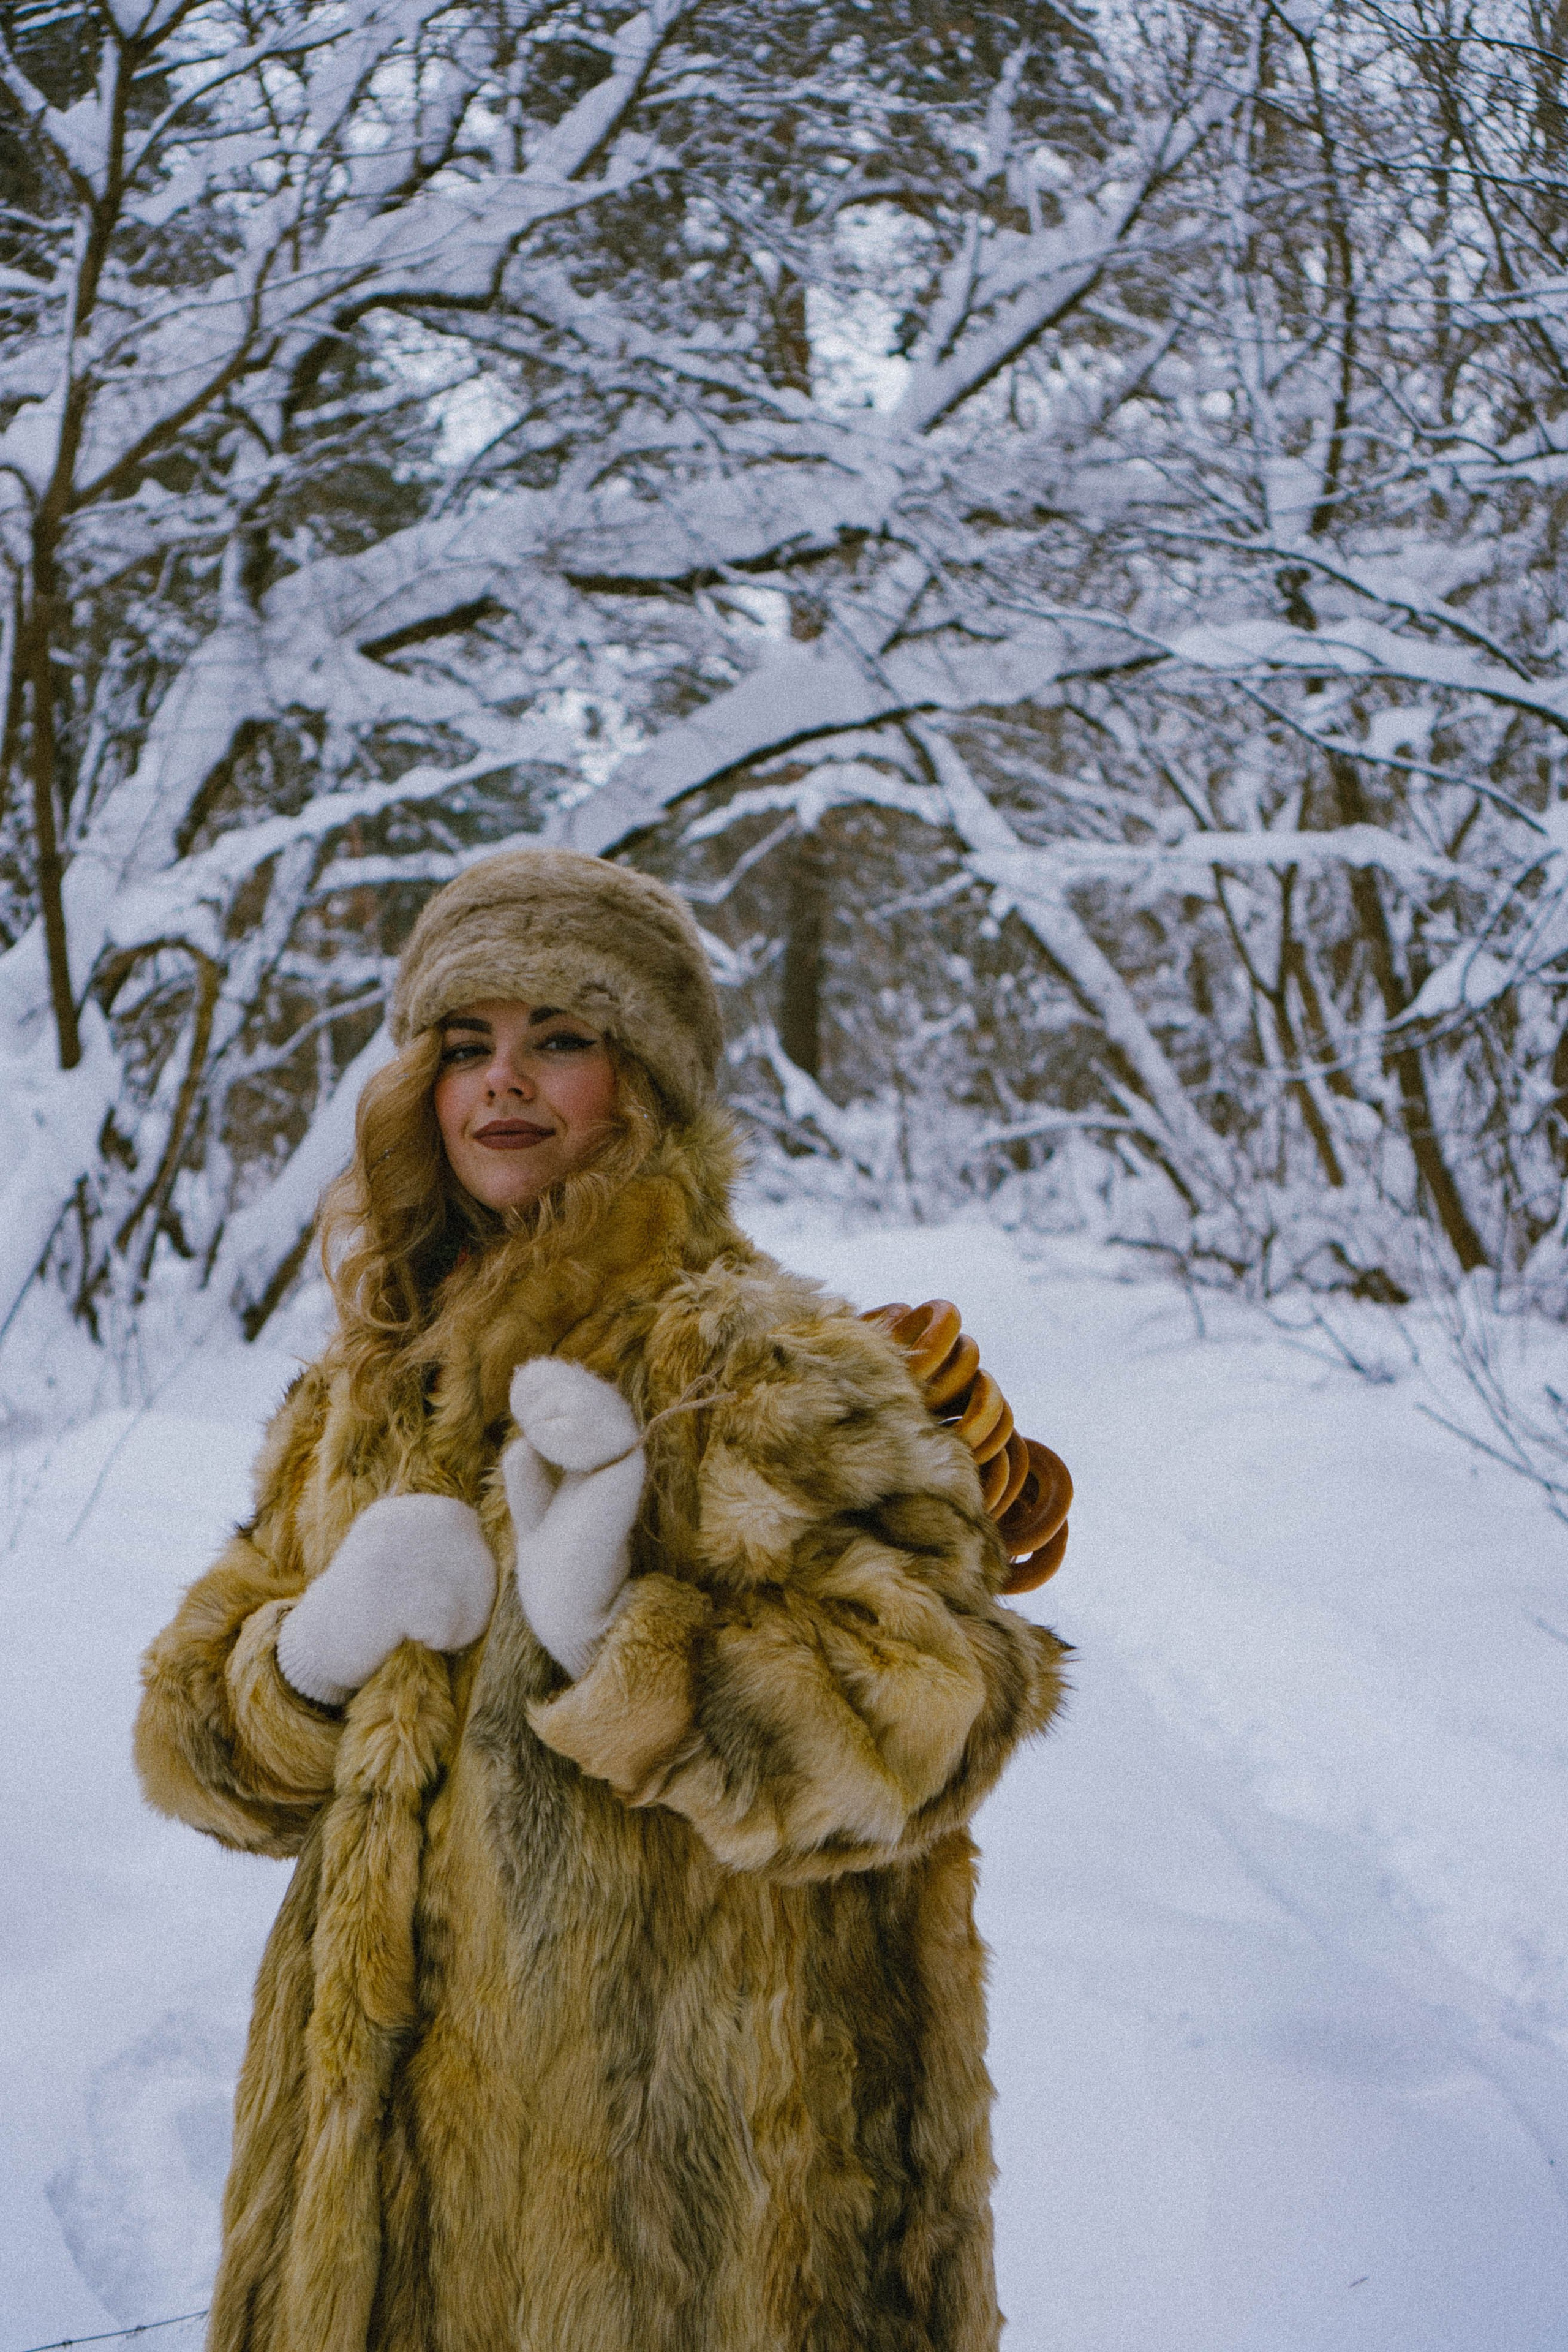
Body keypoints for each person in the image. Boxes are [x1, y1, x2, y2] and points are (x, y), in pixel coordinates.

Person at [134, 847, 1067, 2352]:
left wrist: (620, 1650)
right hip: (372, 2224)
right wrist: (308, 1654)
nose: (503, 1081)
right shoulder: (366, 1387)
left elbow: (925, 1722)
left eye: (559, 1037)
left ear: (647, 1082)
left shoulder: (749, 1359)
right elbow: (194, 1750)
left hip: (687, 2233)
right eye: (465, 1043)